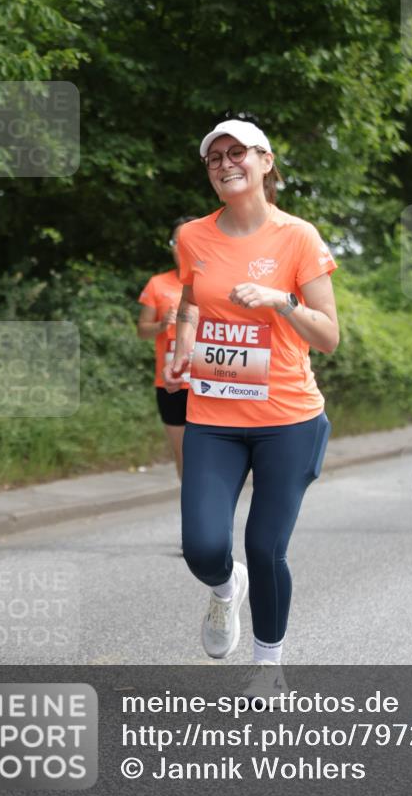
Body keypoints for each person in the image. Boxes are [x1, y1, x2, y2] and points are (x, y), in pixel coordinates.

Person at [164, 117, 338, 691]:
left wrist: (281, 300)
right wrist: (183, 344)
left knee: (264, 546)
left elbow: (328, 336)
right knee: (203, 547)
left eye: (237, 152)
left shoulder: (299, 237)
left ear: (265, 161)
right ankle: (222, 588)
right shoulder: (194, 236)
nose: (224, 163)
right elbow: (191, 299)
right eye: (214, 157)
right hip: (213, 414)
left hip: (288, 419)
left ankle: (269, 665)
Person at [137, 217, 197, 479]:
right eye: (176, 241)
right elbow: (141, 330)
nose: (181, 247)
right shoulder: (157, 284)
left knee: (211, 453)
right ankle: (193, 511)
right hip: (171, 383)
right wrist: (162, 325)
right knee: (184, 455)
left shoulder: (214, 282)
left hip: (209, 381)